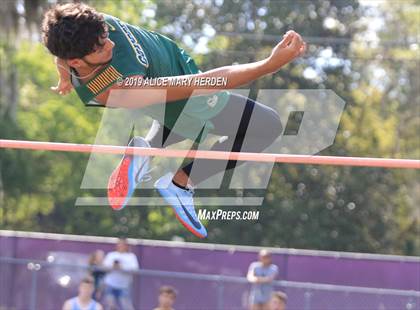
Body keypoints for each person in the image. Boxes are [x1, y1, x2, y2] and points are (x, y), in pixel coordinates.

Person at [41, 3, 307, 238]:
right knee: (267, 126)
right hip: (181, 90)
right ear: (77, 59)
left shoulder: (87, 26)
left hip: (167, 81)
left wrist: (65, 77)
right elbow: (208, 82)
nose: (110, 43)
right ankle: (180, 182)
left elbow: (60, 48)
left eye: (106, 36)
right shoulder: (118, 90)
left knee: (176, 115)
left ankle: (144, 149)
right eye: (101, 48)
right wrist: (269, 65)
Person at [102, 238, 139, 310]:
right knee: (110, 307)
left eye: (123, 244)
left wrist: (122, 267)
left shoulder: (131, 256)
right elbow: (104, 267)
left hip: (124, 286)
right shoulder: (111, 255)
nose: (121, 246)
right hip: (110, 285)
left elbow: (135, 270)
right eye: (119, 244)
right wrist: (113, 266)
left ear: (126, 245)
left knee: (127, 307)